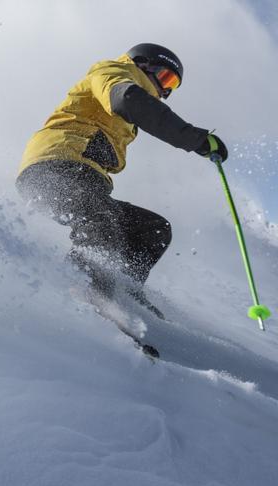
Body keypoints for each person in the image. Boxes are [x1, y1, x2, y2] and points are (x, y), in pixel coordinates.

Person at [16, 43, 228, 314]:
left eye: (172, 86)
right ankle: (88, 299)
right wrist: (195, 139)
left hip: (86, 180)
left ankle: (121, 290)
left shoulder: (131, 109)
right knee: (100, 224)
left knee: (152, 229)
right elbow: (126, 98)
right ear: (143, 63)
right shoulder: (112, 71)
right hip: (53, 169)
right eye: (165, 78)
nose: (165, 91)